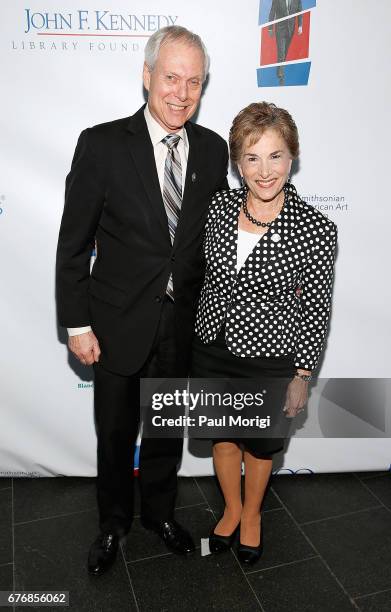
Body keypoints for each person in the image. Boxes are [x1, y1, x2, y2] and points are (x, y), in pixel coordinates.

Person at [55, 25, 228, 576]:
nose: (181, 92)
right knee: (114, 434)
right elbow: (74, 243)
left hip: (181, 325)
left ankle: (159, 514)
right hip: (115, 324)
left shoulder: (213, 149)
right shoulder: (102, 144)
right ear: (147, 76)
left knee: (164, 433)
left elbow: (210, 239)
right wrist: (77, 324)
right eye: (171, 77)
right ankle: (112, 525)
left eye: (193, 82)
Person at [192, 102, 337, 565]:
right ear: (238, 163)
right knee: (222, 437)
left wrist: (302, 373)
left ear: (292, 156)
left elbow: (315, 308)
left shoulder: (315, 229)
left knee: (259, 444)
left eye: (275, 156)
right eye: (252, 158)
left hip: (270, 354)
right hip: (212, 346)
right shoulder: (215, 209)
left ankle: (252, 513)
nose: (265, 170)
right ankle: (231, 509)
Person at [268, 0, 303, 85]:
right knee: (281, 53)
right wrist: (270, 28)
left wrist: (300, 26)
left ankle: (279, 69)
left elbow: (299, 12)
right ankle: (281, 77)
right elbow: (272, 11)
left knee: (285, 52)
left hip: (290, 29)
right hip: (280, 29)